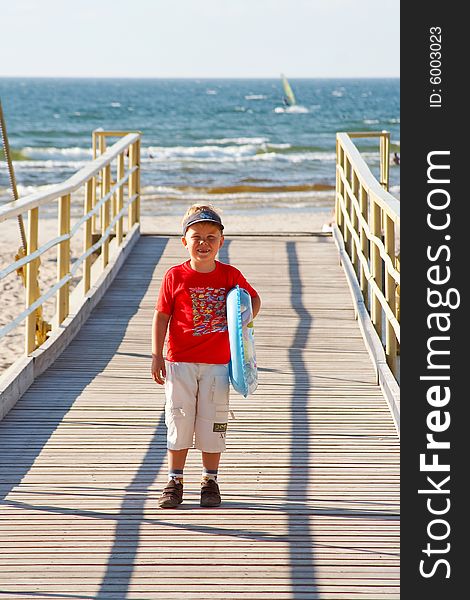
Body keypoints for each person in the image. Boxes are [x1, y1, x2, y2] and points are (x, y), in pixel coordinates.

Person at [151, 204, 261, 508]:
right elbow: (161, 316)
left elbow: (253, 299)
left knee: (213, 420)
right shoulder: (175, 276)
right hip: (179, 361)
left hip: (218, 363)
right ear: (184, 241)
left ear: (221, 242)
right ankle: (175, 480)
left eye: (211, 237)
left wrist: (242, 329)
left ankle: (210, 480)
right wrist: (156, 354)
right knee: (179, 418)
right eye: (196, 236)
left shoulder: (229, 275)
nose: (203, 243)